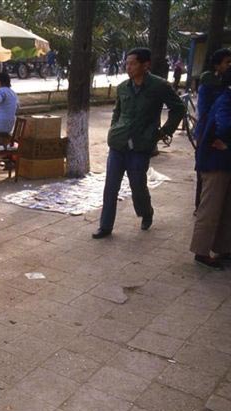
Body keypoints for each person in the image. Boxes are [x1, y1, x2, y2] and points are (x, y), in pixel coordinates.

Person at [93, 48, 185, 239]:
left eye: (133, 63)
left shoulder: (159, 86)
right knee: (110, 186)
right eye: (127, 63)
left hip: (141, 145)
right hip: (118, 143)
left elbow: (178, 108)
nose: (129, 67)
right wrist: (114, 129)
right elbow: (117, 112)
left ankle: (146, 212)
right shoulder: (123, 87)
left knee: (137, 185)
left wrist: (163, 132)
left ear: (145, 65)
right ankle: (105, 226)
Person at [190, 83, 231, 270]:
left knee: (225, 209)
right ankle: (202, 251)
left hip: (224, 161)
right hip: (215, 162)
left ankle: (223, 248)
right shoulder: (226, 100)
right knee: (210, 208)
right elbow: (224, 127)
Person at [194, 49, 231, 210]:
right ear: (217, 65)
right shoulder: (210, 84)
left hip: (217, 134)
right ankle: (200, 205)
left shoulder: (224, 83)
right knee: (207, 171)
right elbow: (205, 112)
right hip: (210, 133)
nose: (229, 66)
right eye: (227, 63)